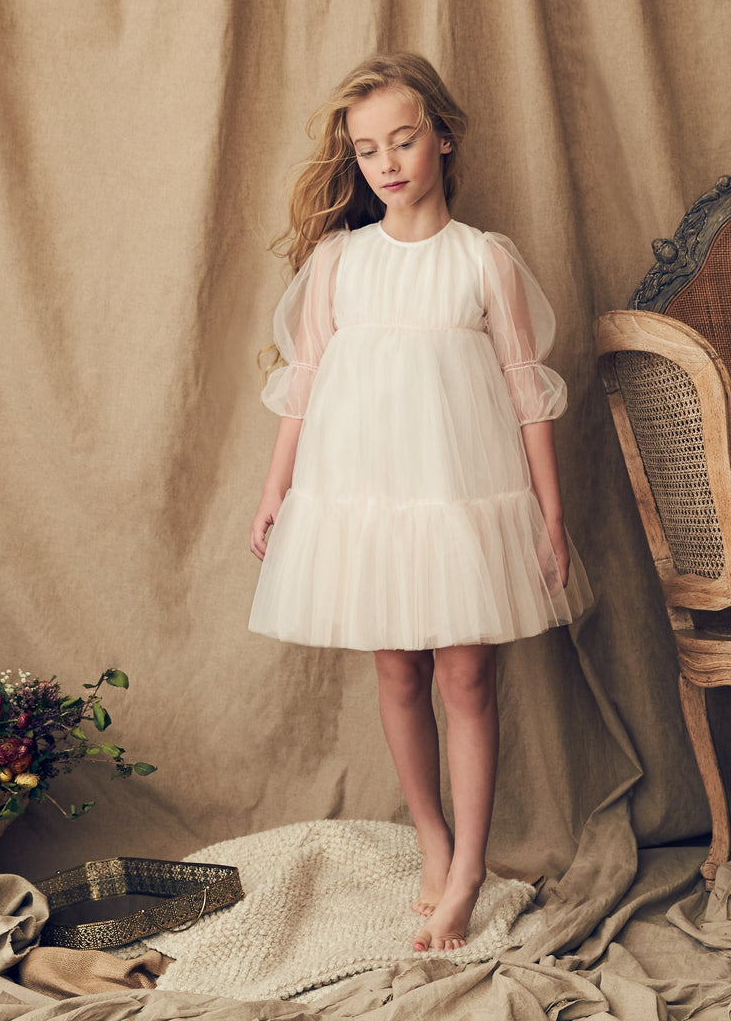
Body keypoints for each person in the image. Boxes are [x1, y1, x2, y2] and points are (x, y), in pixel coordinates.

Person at [248, 53, 591, 952]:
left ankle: (469, 869)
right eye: (367, 151)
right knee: (398, 672)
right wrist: (275, 491)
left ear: (442, 137)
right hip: (367, 496)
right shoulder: (339, 261)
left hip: (459, 497)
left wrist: (551, 516)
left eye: (402, 141)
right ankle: (432, 841)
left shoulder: (483, 260)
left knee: (466, 677)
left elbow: (527, 392)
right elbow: (304, 384)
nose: (387, 164)